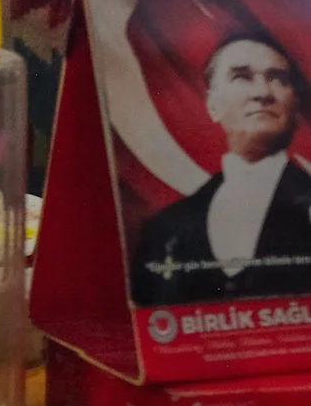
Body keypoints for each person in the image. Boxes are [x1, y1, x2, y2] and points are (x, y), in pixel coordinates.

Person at [131, 31, 311, 304]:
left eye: (277, 79)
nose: (262, 92)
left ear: (295, 108)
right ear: (213, 105)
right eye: (242, 76)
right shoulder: (166, 228)